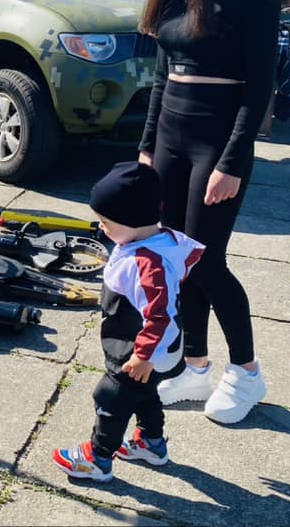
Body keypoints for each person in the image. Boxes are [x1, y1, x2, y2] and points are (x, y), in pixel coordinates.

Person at [137, 0, 288, 424]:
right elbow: (161, 76)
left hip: (217, 147)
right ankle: (195, 366)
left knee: (207, 262)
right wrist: (148, 147)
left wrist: (232, 162)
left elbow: (258, 88)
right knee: (177, 262)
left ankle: (247, 373)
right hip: (171, 140)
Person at [52, 161, 204, 482]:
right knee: (145, 395)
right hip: (145, 345)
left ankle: (98, 458)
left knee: (111, 396)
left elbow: (159, 314)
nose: (102, 228)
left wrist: (143, 355)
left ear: (132, 220)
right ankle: (151, 444)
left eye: (106, 222)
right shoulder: (154, 241)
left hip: (136, 348)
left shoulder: (147, 264)